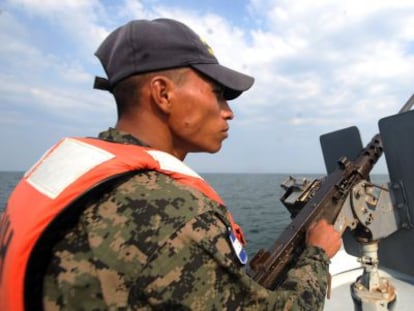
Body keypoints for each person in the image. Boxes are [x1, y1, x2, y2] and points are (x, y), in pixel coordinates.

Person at [0, 18, 341, 310]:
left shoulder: (63, 173)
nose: (228, 111)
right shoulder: (177, 216)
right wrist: (317, 253)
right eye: (218, 93)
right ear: (163, 94)